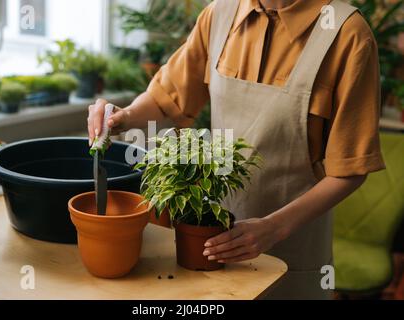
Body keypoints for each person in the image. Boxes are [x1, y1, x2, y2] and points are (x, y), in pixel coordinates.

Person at [87, 0, 385, 299]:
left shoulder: (347, 33)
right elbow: (167, 98)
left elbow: (350, 170)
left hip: (293, 247)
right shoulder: (221, 14)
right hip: (213, 240)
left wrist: (274, 228)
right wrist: (122, 117)